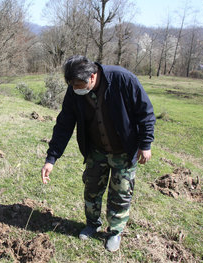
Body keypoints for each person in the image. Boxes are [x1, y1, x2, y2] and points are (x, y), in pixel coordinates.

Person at [41, 55, 155, 252]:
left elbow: (145, 112)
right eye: (72, 85)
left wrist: (145, 144)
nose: (76, 89)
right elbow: (64, 125)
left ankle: (115, 232)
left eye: (79, 84)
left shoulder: (123, 79)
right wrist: (52, 158)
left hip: (124, 151)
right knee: (92, 189)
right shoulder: (75, 90)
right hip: (96, 150)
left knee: (120, 194)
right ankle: (92, 224)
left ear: (93, 76)